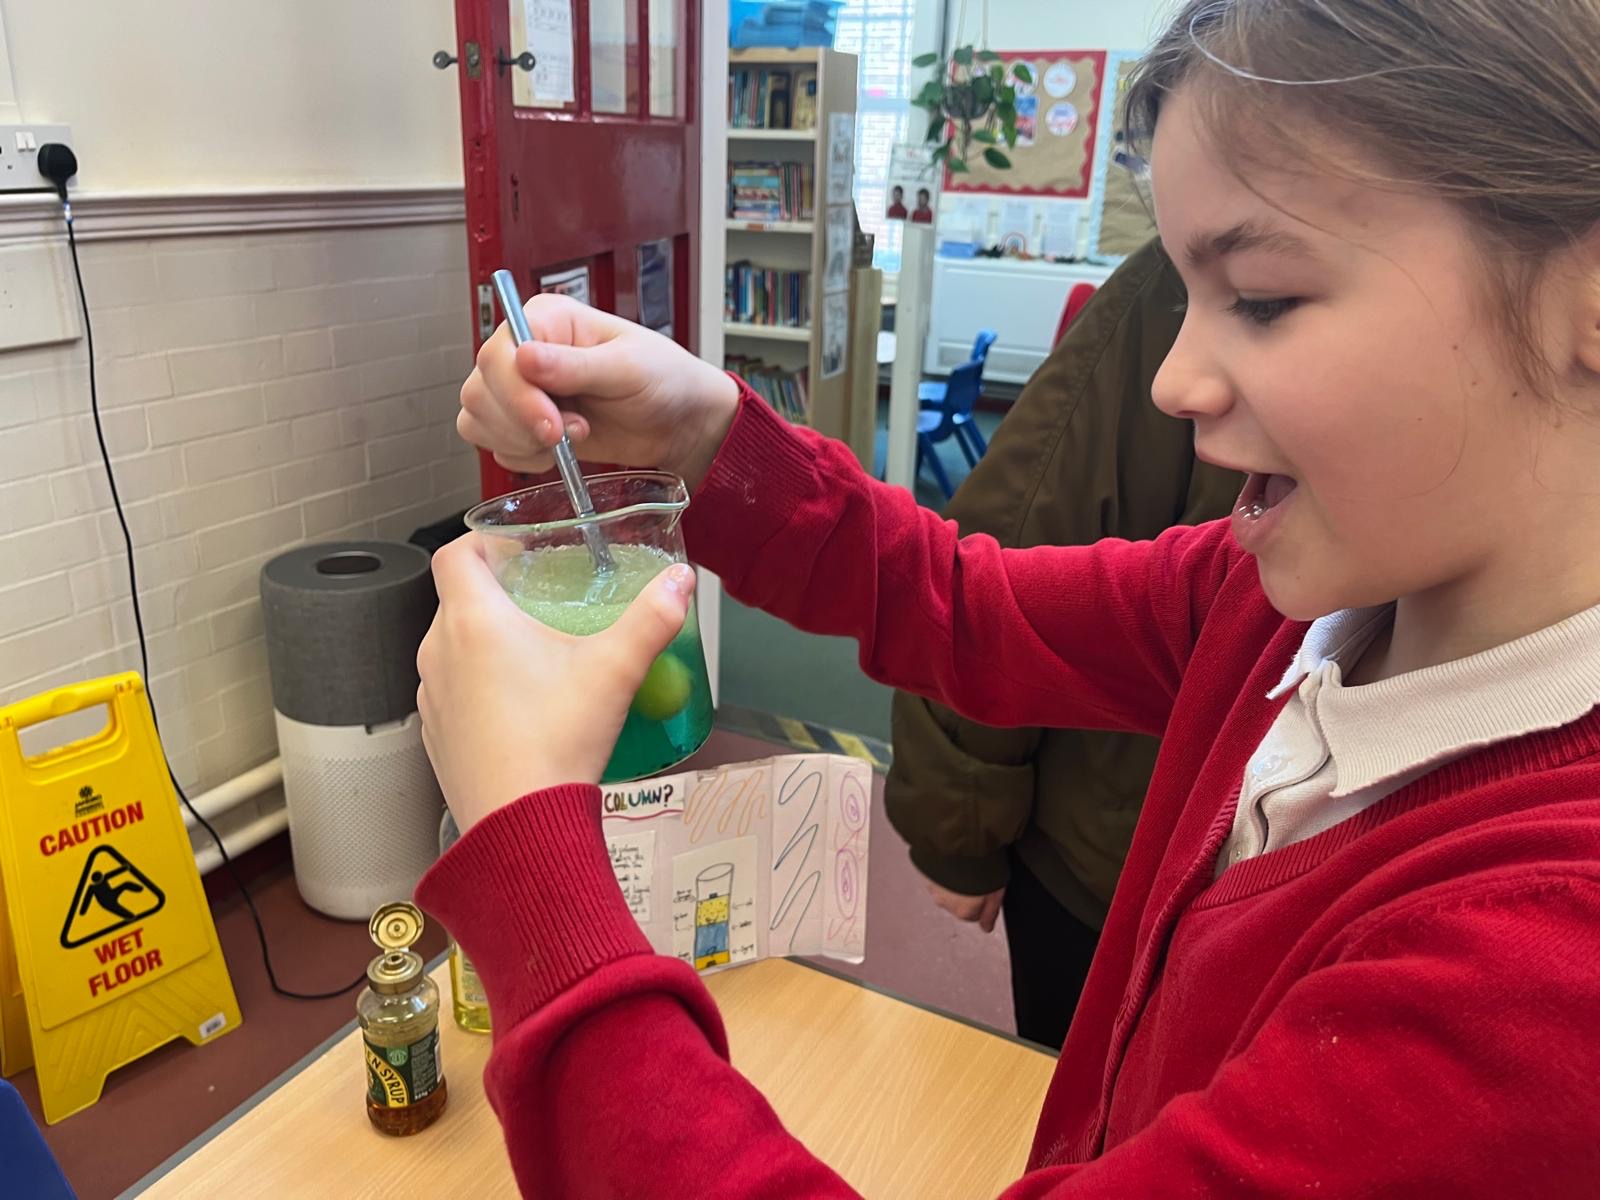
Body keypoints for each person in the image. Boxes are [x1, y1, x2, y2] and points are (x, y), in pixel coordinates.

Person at [417, 1, 1600, 1192]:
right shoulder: (1284, 611)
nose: (1175, 381)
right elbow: (964, 604)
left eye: (1262, 297)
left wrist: (533, 864)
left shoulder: (1536, 977)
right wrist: (701, 435)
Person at [886, 240, 1241, 1050]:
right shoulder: (1179, 280)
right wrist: (958, 828)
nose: (1181, 388)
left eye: (1271, 304)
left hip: (1223, 896)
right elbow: (1003, 564)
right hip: (1108, 874)